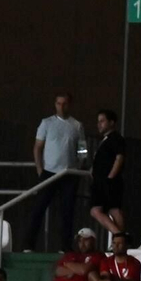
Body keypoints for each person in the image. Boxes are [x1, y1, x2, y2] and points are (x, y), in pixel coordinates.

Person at [26, 92, 86, 251]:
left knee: (67, 212)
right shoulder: (46, 123)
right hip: (49, 172)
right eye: (58, 103)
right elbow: (37, 147)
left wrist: (78, 167)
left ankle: (65, 247)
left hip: (69, 174)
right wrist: (40, 170)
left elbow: (82, 150)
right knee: (38, 209)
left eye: (64, 103)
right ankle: (28, 245)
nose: (61, 106)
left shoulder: (77, 125)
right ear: (55, 104)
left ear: (70, 104)